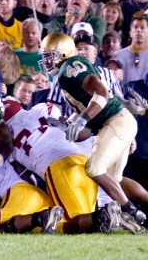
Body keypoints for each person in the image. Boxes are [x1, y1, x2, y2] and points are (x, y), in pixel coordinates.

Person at [39, 32, 146, 225]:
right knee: (114, 181)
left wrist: (82, 119)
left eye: (49, 56)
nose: (45, 61)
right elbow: (84, 133)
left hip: (116, 122)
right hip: (115, 123)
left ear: (62, 54)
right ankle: (132, 219)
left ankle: (131, 211)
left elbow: (102, 92)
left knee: (94, 168)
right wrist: (68, 126)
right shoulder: (66, 75)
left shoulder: (69, 68)